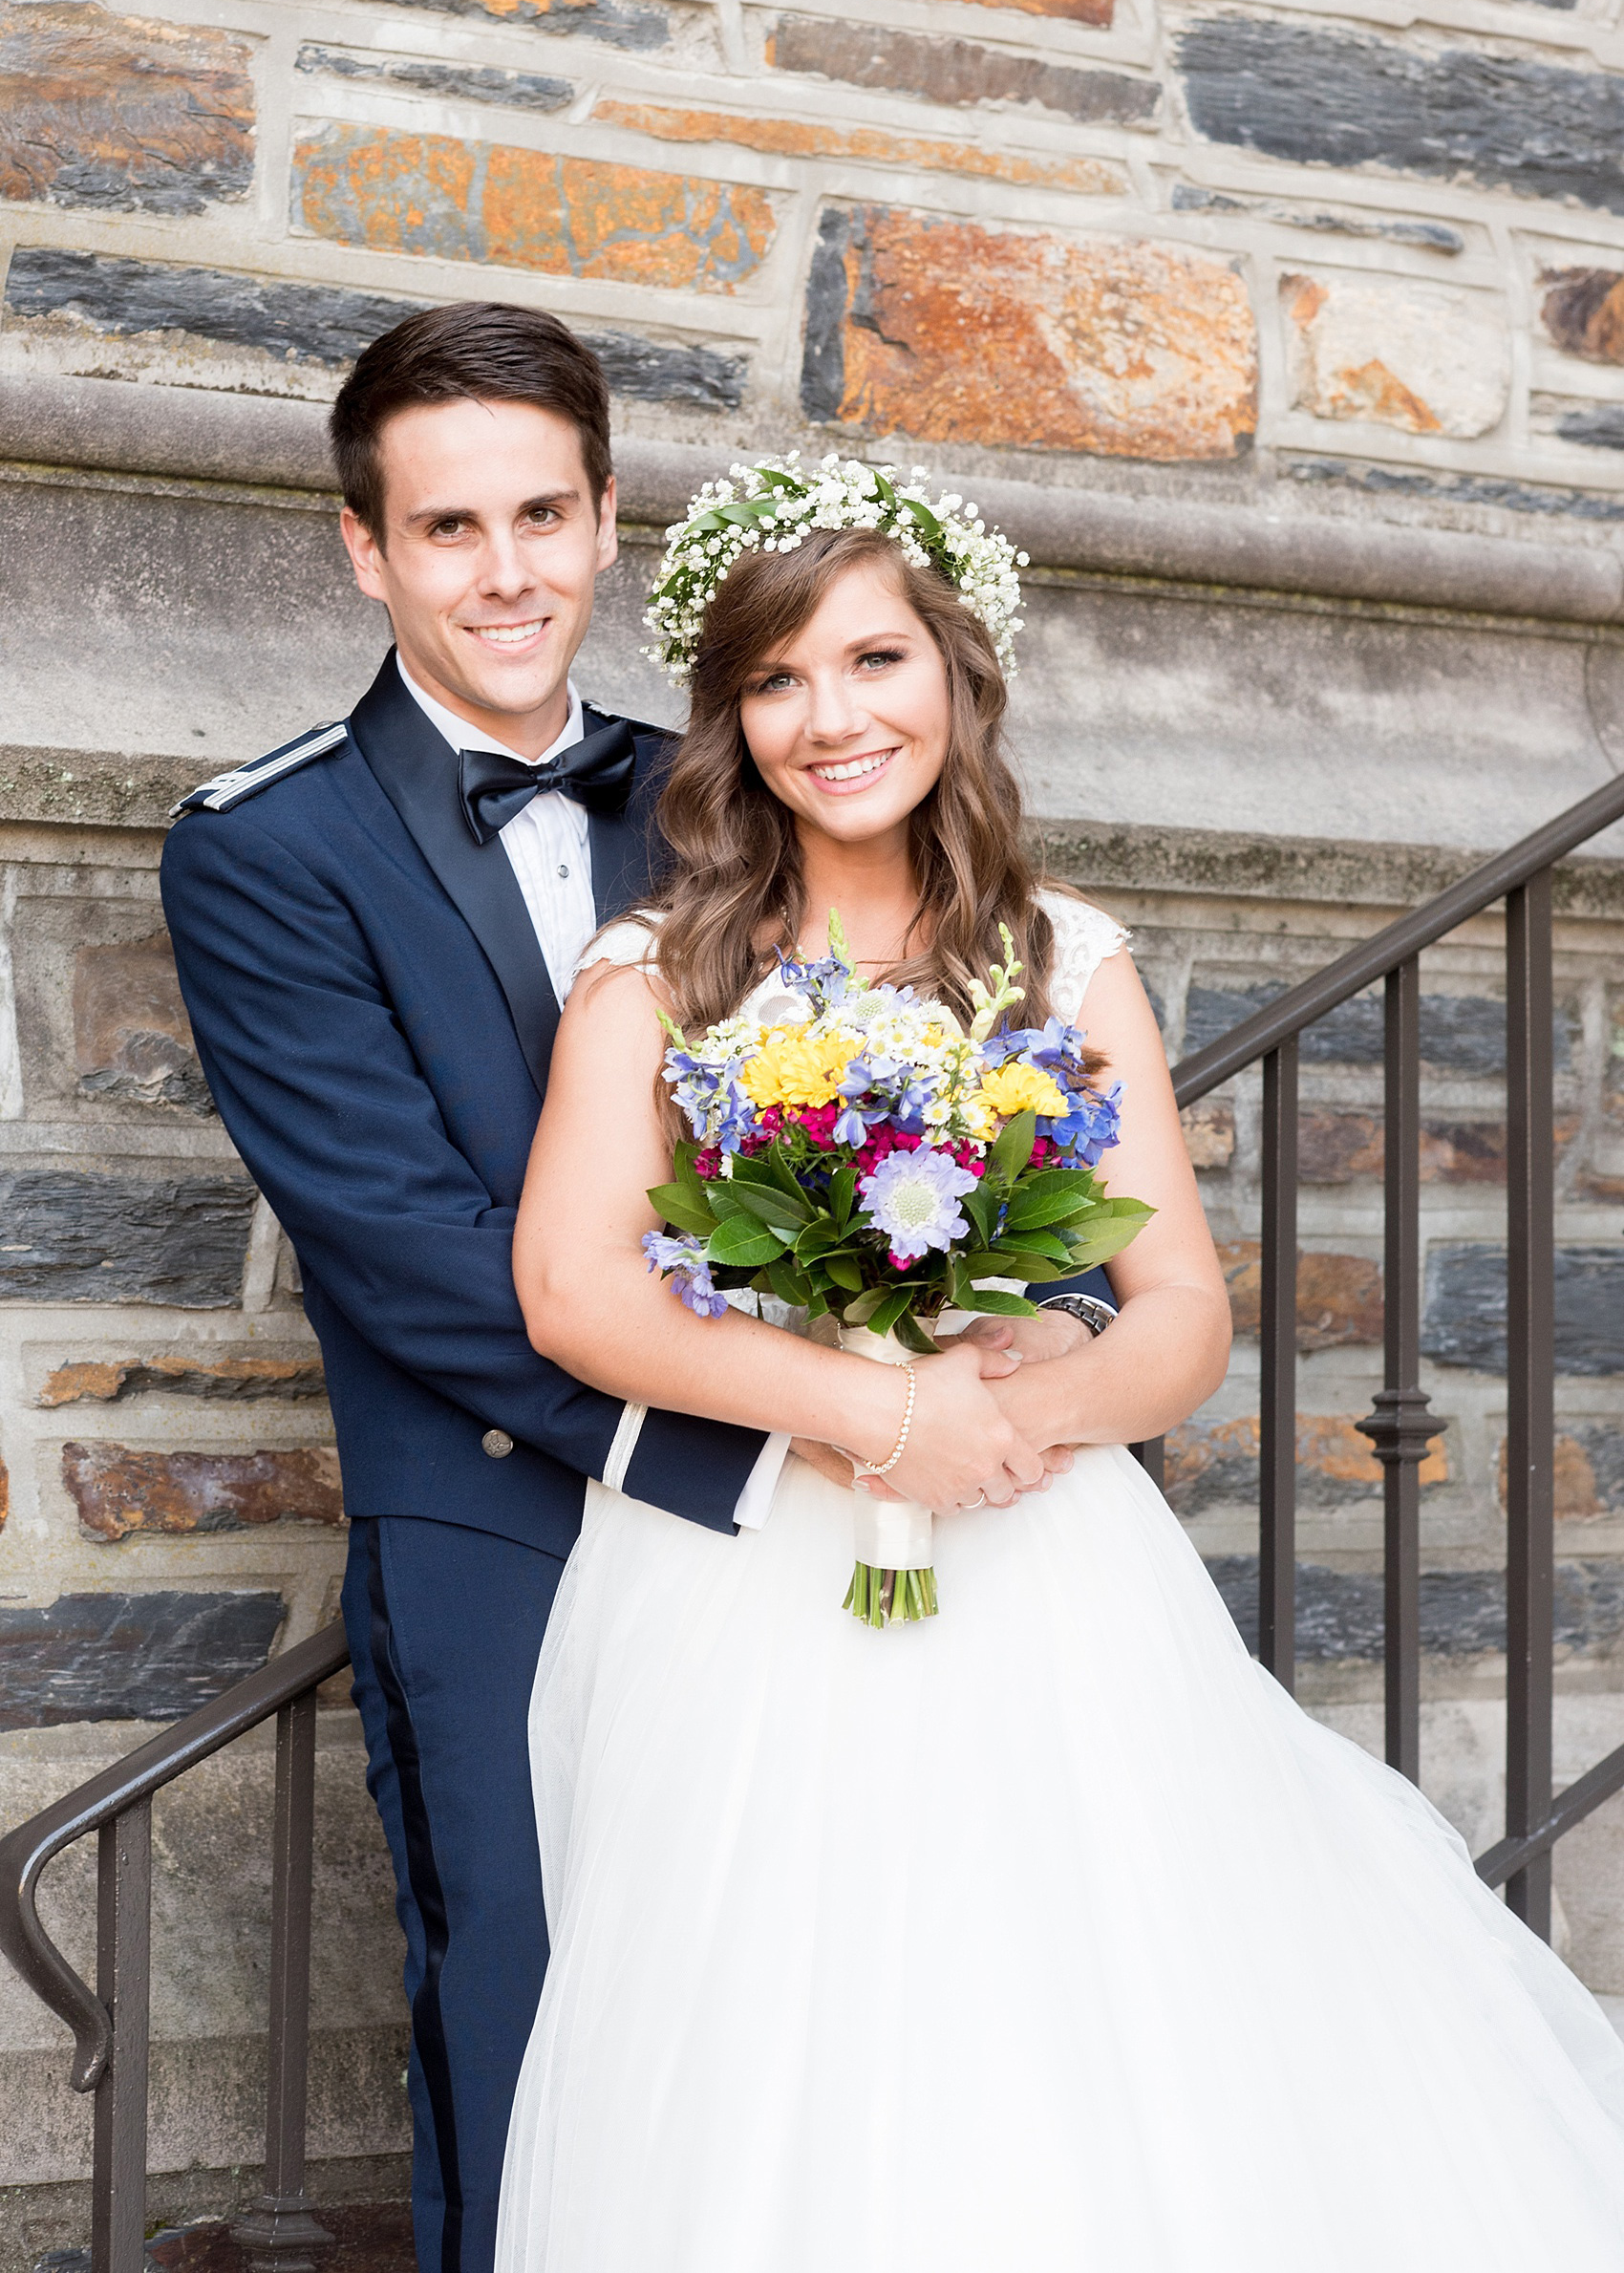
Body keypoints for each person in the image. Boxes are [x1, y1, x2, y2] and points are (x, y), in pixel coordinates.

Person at [500, 465, 1624, 2269]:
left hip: (1045, 1562)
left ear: (956, 670)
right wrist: (877, 1408)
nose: (832, 717)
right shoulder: (664, 965)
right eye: (779, 679)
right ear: (732, 714)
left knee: (1080, 2010)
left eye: (875, 659)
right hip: (747, 1584)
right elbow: (571, 1289)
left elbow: (1178, 1310)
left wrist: (1015, 1403)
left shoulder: (1059, 959)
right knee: (778, 2028)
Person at [160, 307, 1044, 2273]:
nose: (505, 573)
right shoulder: (264, 844)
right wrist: (792, 1425)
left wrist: (929, 1348)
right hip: (508, 1518)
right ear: (363, 550)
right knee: (542, 2014)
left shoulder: (738, 797)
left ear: (605, 516)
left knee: (808, 2007)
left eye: (540, 515)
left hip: (824, 1514)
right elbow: (408, 1254)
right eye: (448, 527)